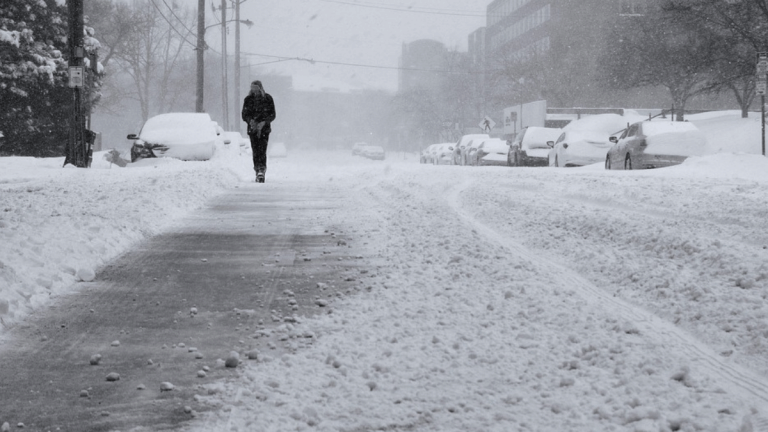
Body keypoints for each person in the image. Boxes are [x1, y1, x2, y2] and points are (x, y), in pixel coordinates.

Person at [241, 80, 276, 183]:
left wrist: (264, 122)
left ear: (260, 88)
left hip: (264, 129)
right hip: (252, 129)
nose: (254, 90)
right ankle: (257, 169)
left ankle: (262, 169)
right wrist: (250, 121)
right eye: (252, 88)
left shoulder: (268, 98)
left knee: (262, 150)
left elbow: (272, 114)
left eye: (256, 88)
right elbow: (244, 114)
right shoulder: (248, 100)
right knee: (255, 150)